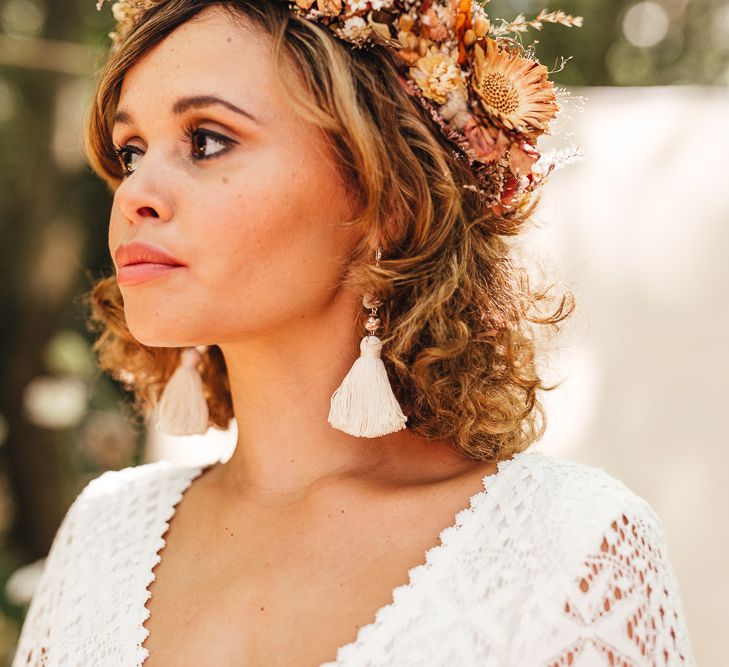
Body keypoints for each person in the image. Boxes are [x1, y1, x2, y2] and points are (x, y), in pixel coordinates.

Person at [13, 0, 695, 665]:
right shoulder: (104, 534)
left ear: (385, 200)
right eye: (131, 151)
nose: (134, 193)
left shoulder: (568, 548)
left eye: (206, 140)